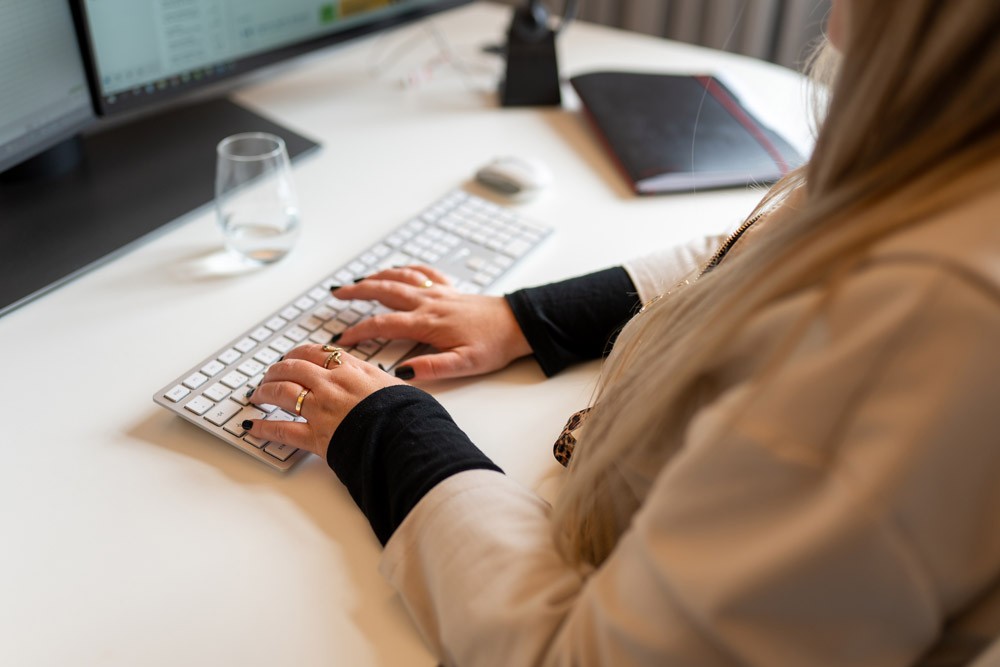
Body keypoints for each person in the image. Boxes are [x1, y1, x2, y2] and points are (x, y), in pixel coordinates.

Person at [243, 1, 1000, 664]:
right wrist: (525, 318)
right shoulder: (950, 167)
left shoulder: (924, 322)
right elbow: (750, 247)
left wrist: (391, 432)